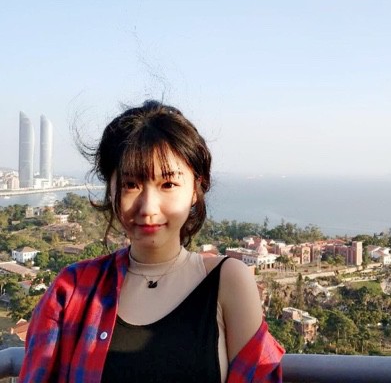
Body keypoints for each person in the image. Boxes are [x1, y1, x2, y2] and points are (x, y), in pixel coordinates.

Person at [19, 101, 284, 382]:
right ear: (111, 189)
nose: (148, 208)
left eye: (168, 184)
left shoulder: (228, 282)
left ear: (195, 189)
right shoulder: (72, 291)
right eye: (130, 184)